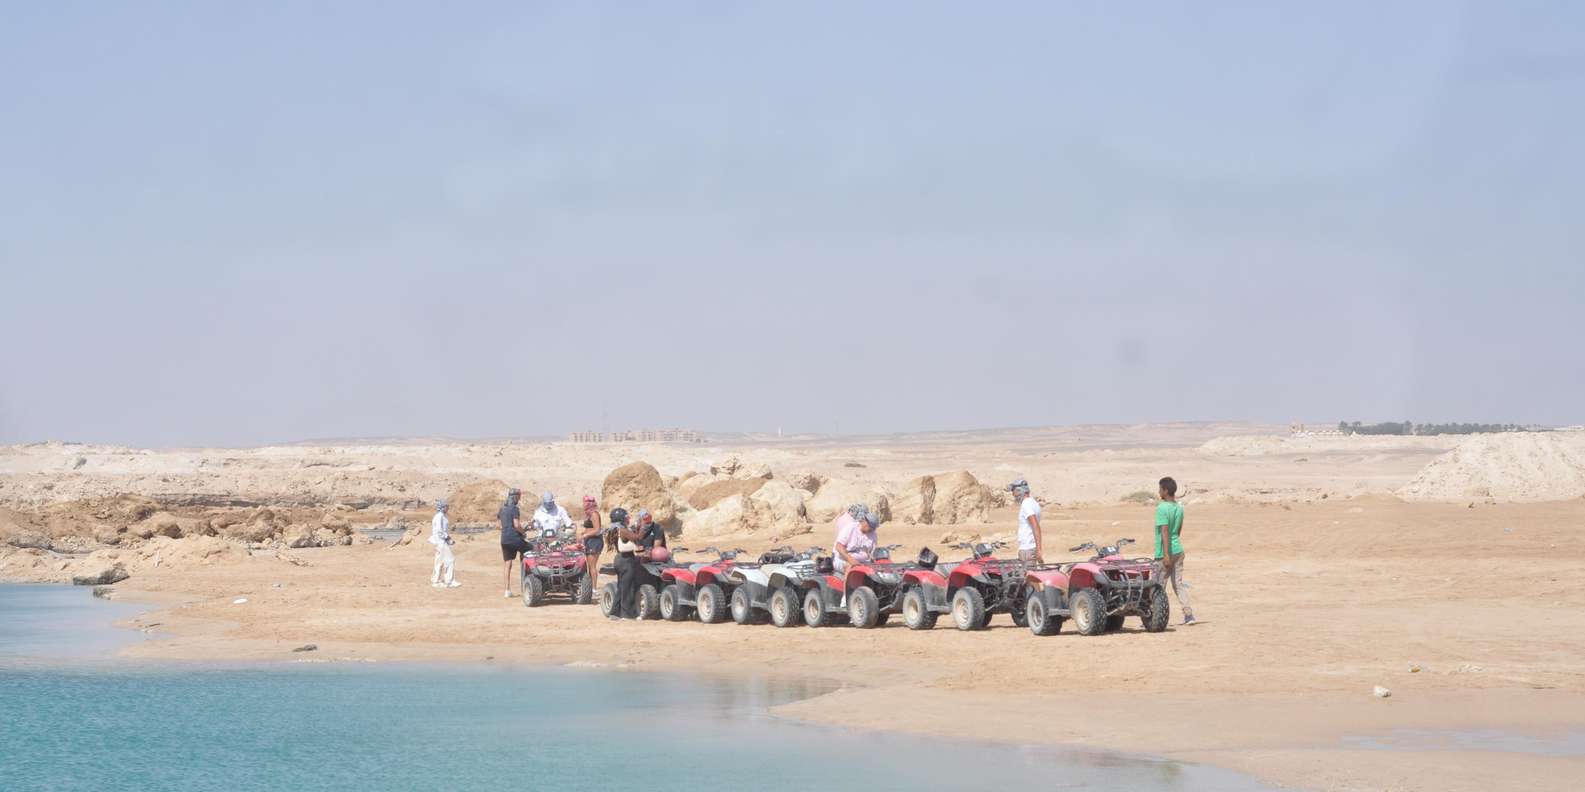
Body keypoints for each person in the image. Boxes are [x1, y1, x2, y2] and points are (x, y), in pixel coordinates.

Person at [1153, 476, 1195, 625]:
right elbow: (1177, 530)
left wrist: (1165, 555)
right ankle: (1188, 614)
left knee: (1158, 586)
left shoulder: (1162, 508)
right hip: (1178, 550)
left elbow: (1164, 531)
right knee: (1178, 584)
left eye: (1160, 489)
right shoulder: (1179, 507)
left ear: (1165, 491)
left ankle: (1154, 617)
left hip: (1165, 553)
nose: (1159, 491)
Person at [611, 507, 640, 620]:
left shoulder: (615, 529)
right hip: (626, 560)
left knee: (621, 587)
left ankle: (614, 612)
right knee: (628, 588)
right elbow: (636, 538)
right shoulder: (622, 530)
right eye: (626, 517)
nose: (628, 519)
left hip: (619, 559)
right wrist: (641, 528)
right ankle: (627, 614)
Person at [831, 503, 877, 574]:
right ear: (864, 521)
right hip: (843, 559)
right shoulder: (851, 527)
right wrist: (851, 560)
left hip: (863, 562)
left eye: (873, 528)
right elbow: (839, 547)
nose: (870, 530)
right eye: (869, 527)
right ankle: (848, 585)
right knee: (850, 568)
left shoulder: (873, 534)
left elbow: (871, 553)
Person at [499, 488, 526, 598]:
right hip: (514, 538)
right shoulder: (514, 509)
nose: (519, 499)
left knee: (507, 564)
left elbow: (498, 524)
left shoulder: (502, 508)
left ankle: (507, 590)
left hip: (504, 539)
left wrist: (505, 528)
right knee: (528, 551)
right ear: (515, 497)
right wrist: (523, 532)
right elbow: (516, 525)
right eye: (519, 496)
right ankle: (526, 585)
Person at [1010, 479, 1043, 563]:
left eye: (1013, 491)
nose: (1012, 494)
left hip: (1027, 548)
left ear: (1019, 490)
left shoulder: (1026, 505)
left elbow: (1035, 525)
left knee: (1026, 574)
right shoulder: (1033, 503)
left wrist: (1039, 550)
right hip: (1030, 547)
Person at [429, 499, 459, 588]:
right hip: (441, 542)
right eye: (446, 506)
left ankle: (435, 581)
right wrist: (448, 538)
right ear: (443, 507)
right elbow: (439, 530)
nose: (448, 508)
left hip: (440, 541)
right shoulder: (440, 516)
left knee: (439, 561)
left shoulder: (440, 516)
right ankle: (449, 581)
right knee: (450, 559)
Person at [579, 495, 604, 587]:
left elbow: (597, 530)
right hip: (589, 541)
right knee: (589, 566)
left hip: (595, 541)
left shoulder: (594, 514)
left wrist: (585, 535)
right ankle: (589, 588)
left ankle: (594, 588)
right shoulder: (589, 514)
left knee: (592, 566)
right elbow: (589, 528)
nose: (583, 504)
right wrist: (583, 534)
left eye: (585, 502)